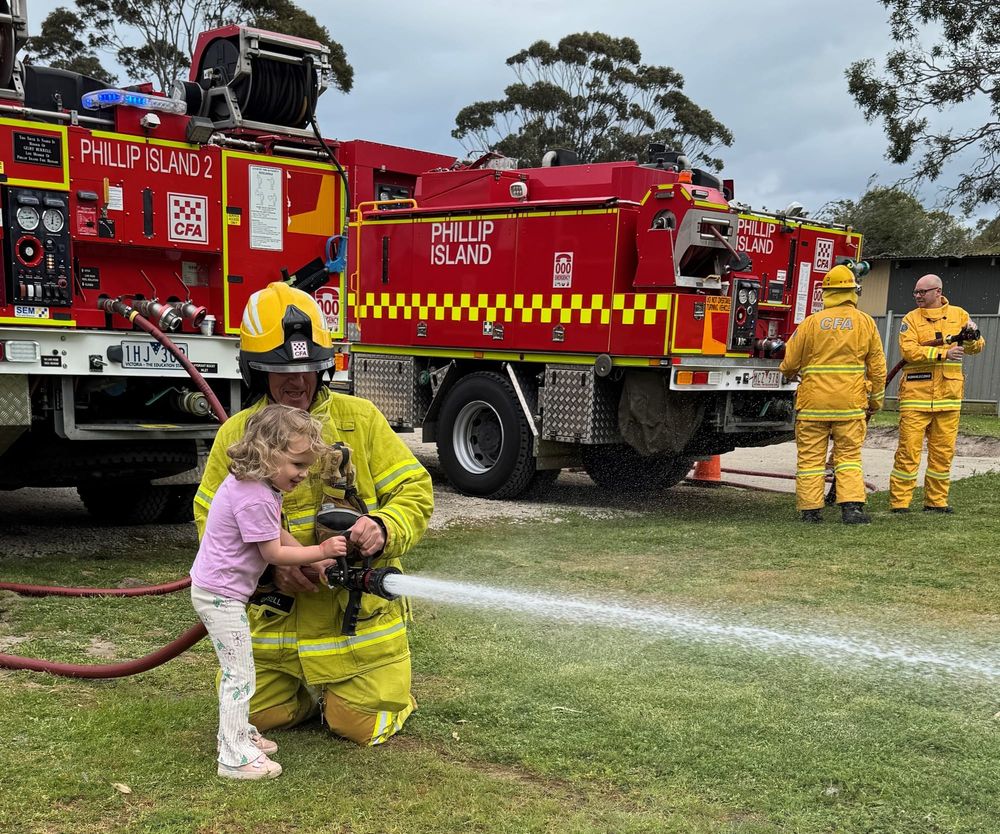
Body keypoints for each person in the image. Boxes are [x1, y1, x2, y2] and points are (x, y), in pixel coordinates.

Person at [194, 281, 433, 748]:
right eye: (279, 369)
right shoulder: (237, 435)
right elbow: (209, 516)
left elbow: (415, 490)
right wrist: (271, 572)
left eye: (308, 368)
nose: (296, 382)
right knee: (261, 715)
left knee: (356, 726)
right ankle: (308, 696)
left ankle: (367, 698)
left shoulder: (359, 419)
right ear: (254, 371)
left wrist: (382, 527)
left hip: (355, 627)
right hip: (276, 626)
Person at [190, 403, 344, 780]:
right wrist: (322, 550)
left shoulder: (257, 485)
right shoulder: (255, 494)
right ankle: (233, 755)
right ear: (268, 452)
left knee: (241, 670)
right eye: (298, 465)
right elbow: (273, 552)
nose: (303, 474)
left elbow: (275, 531)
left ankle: (240, 733)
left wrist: (316, 563)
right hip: (220, 596)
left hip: (220, 591)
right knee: (238, 674)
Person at [779, 264, 887, 524]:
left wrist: (788, 373)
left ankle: (810, 511)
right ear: (853, 291)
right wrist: (875, 401)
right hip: (849, 405)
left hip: (813, 404)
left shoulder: (811, 323)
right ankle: (851, 509)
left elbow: (790, 362)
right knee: (848, 457)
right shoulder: (865, 323)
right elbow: (878, 368)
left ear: (825, 293)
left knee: (810, 460)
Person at [889, 274, 985, 514]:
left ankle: (936, 502)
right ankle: (900, 503)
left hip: (949, 398)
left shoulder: (960, 315)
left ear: (937, 292)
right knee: (908, 453)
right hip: (916, 397)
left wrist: (972, 338)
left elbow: (977, 347)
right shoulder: (911, 319)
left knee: (942, 454)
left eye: (922, 292)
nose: (918, 296)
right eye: (916, 292)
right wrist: (942, 354)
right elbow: (909, 351)